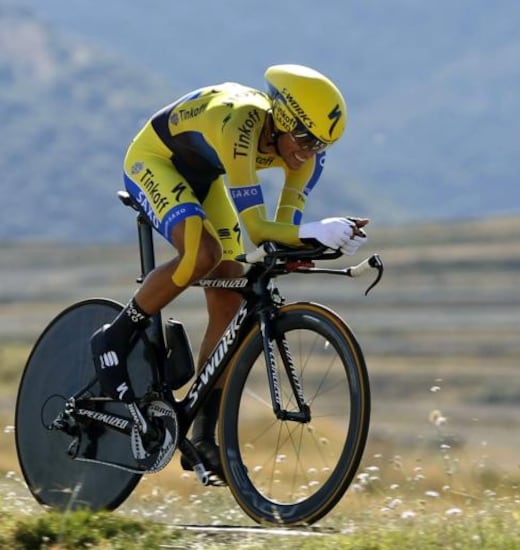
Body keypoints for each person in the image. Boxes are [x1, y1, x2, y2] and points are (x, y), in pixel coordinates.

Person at [91, 64, 368, 482]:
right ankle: (113, 336)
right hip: (155, 160)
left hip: (206, 177)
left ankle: (203, 434)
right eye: (306, 139)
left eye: (322, 144)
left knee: (229, 300)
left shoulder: (307, 155)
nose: (310, 152)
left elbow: (280, 232)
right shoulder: (241, 124)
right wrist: (314, 230)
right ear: (283, 119)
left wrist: (325, 241)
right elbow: (257, 228)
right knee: (201, 255)